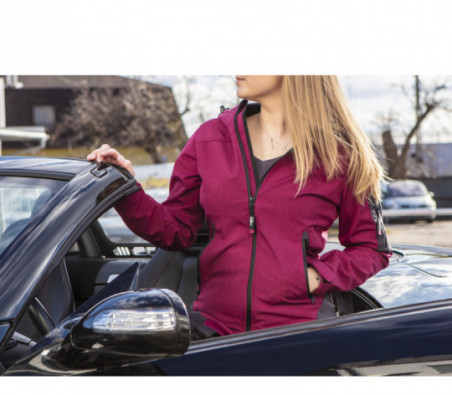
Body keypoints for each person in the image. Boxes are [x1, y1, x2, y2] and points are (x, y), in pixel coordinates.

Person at [87, 75, 392, 337]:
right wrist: (125, 189)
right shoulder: (210, 139)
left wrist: (314, 277)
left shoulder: (340, 154)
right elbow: (174, 230)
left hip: (297, 331)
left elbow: (371, 249)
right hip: (213, 330)